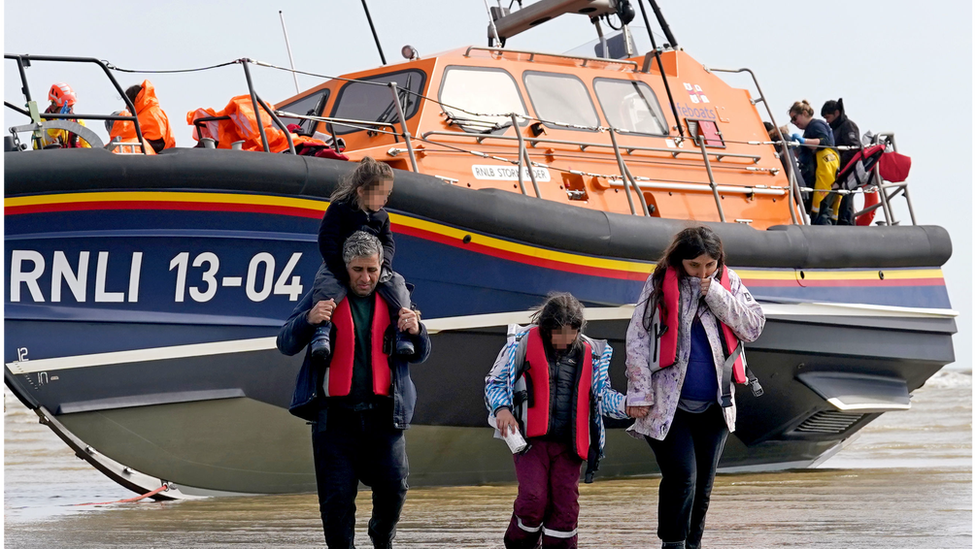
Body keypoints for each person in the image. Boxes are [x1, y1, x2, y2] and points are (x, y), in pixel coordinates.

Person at [276, 230, 430, 549]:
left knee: (394, 490)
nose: (365, 277)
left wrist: (417, 330)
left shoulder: (393, 297)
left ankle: (381, 533)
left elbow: (422, 353)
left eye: (372, 270)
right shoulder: (324, 294)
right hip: (334, 422)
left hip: (384, 419)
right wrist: (308, 318)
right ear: (346, 267)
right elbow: (286, 343)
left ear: (380, 267)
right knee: (336, 507)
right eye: (358, 270)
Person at [625, 226, 765, 549]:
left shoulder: (729, 283)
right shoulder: (659, 284)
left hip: (716, 407)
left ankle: (693, 545)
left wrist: (714, 293)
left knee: (703, 488)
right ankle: (672, 544)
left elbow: (753, 326)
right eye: (694, 266)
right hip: (668, 407)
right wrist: (640, 393)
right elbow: (637, 337)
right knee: (682, 477)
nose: (702, 273)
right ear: (680, 261)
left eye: (709, 266)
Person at [485, 292, 636, 549]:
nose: (565, 339)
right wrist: (502, 409)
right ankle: (519, 544)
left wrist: (627, 406)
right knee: (533, 499)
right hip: (530, 444)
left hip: (569, 447)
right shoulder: (520, 343)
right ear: (546, 329)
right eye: (558, 332)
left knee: (566, 508)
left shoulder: (593, 354)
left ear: (579, 329)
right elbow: (495, 382)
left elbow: (603, 396)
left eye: (571, 332)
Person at [310, 157, 414, 362]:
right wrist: (341, 270)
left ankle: (402, 331)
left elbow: (388, 243)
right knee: (326, 286)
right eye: (381, 194)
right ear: (361, 191)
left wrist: (384, 266)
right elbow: (326, 240)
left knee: (397, 285)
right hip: (338, 266)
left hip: (375, 267)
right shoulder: (339, 209)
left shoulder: (382, 217)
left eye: (388, 195)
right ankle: (321, 331)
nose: (385, 200)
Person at [788, 100, 840, 224]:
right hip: (812, 173)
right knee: (815, 211)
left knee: (822, 212)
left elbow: (824, 142)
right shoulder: (809, 129)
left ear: (804, 113)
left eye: (795, 118)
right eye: (792, 121)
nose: (794, 123)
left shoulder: (816, 125)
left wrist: (803, 141)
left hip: (821, 173)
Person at [821, 98, 862, 225]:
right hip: (839, 174)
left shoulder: (847, 126)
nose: (827, 121)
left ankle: (847, 226)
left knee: (845, 205)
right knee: (838, 207)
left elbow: (853, 149)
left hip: (847, 173)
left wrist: (839, 167)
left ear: (837, 113)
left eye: (828, 117)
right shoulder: (834, 129)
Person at [109, 80, 176, 153]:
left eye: (127, 103)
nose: (126, 107)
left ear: (133, 101)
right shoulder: (144, 114)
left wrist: (135, 144)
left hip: (158, 157)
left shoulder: (153, 113)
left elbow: (158, 143)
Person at [35, 82, 91, 149]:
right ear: (54, 106)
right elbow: (37, 145)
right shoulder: (42, 122)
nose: (70, 110)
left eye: (71, 106)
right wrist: (59, 124)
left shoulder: (78, 122)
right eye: (66, 106)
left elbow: (87, 147)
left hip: (74, 158)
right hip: (53, 158)